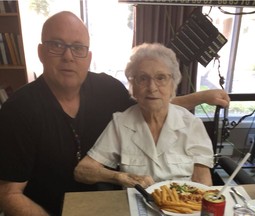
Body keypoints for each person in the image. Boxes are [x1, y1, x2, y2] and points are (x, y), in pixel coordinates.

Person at [0, 11, 229, 216]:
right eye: (57, 45)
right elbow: (8, 194)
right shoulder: (18, 111)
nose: (68, 56)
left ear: (88, 57)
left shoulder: (106, 89)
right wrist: (121, 178)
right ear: (41, 52)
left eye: (78, 48)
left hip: (109, 205)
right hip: (51, 209)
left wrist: (200, 97)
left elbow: (153, 101)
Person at [74, 43, 214, 189]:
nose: (152, 87)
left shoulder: (192, 125)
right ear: (133, 87)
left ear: (173, 85)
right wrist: (120, 177)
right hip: (136, 205)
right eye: (143, 78)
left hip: (182, 206)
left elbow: (203, 182)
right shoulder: (121, 123)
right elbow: (82, 171)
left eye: (160, 78)